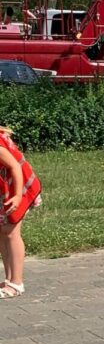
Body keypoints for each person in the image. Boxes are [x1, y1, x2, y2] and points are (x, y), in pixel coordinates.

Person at [0, 125, 41, 299]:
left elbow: (15, 167)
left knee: (11, 233)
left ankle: (17, 283)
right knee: (3, 232)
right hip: (6, 189)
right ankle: (9, 280)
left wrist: (17, 196)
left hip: (19, 188)